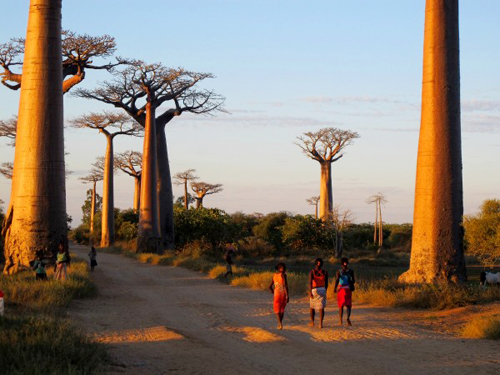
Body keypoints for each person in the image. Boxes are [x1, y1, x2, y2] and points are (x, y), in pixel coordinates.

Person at [334, 257, 355, 326]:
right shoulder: (351, 271)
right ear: (347, 263)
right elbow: (354, 281)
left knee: (341, 305)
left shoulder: (339, 271)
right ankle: (348, 318)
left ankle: (340, 321)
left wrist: (335, 288)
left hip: (341, 289)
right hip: (348, 289)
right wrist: (350, 281)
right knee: (348, 305)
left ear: (341, 264)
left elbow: (337, 280)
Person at [269, 262, 289, 330]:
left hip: (276, 293)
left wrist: (272, 290)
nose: (283, 269)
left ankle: (279, 323)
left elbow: (270, 286)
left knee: (277, 308)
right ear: (279, 268)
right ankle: (280, 323)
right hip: (283, 293)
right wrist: (287, 296)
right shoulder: (283, 275)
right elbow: (285, 286)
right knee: (282, 309)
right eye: (282, 268)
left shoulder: (274, 275)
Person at [309, 258, 328, 328]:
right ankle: (320, 323)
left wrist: (310, 292)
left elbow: (310, 282)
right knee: (321, 307)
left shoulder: (312, 272)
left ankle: (312, 322)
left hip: (314, 290)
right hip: (322, 289)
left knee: (312, 307)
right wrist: (325, 291)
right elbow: (326, 283)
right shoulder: (325, 272)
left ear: (315, 264)